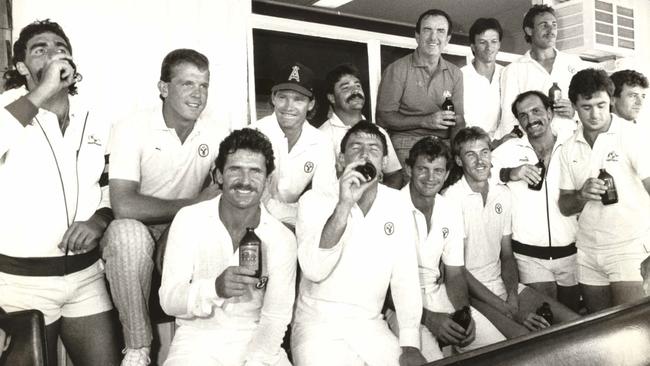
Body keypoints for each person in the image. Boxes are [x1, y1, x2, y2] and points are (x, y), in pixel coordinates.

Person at [0, 19, 120, 366]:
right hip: (21, 284)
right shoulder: (8, 109)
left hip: (86, 277)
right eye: (41, 49)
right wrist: (43, 90)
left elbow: (108, 186)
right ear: (21, 66)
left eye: (61, 48)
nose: (54, 54)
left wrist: (99, 221)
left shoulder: (94, 118)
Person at [102, 48, 224, 365]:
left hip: (179, 229)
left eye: (204, 85)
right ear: (164, 88)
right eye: (188, 84)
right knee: (126, 234)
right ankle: (138, 348)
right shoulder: (132, 126)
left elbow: (222, 190)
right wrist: (193, 204)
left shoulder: (215, 130)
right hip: (137, 227)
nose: (198, 95)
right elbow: (124, 205)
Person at [293, 121, 426, 366]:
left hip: (370, 326)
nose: (365, 155)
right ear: (341, 160)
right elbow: (313, 269)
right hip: (318, 326)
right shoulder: (314, 200)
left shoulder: (397, 204)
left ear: (384, 163)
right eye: (356, 148)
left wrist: (410, 344)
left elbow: (405, 279)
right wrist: (344, 204)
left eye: (374, 149)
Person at [159, 128, 296, 366]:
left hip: (257, 342)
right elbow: (169, 301)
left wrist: (256, 361)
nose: (245, 181)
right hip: (195, 340)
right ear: (219, 175)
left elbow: (275, 319)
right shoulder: (189, 219)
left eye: (255, 171)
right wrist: (215, 288)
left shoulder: (281, 237)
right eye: (235, 169)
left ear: (267, 179)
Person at [445, 127, 578, 339]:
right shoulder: (451, 199)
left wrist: (513, 295)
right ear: (459, 161)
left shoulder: (502, 193)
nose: (480, 160)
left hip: (502, 285)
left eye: (484, 152)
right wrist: (509, 310)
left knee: (573, 324)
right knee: (527, 341)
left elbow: (506, 255)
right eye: (471, 154)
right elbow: (458, 272)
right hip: (470, 293)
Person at [396, 136, 505, 361]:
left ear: (446, 174)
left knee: (501, 351)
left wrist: (463, 314)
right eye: (422, 169)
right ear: (409, 169)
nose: (430, 178)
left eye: (438, 171)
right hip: (398, 304)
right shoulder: (389, 208)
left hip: (437, 293)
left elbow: (454, 274)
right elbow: (382, 284)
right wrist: (429, 319)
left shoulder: (448, 209)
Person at [558, 68, 650, 313]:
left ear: (611, 101)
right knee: (599, 334)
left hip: (629, 248)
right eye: (587, 107)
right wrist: (581, 195)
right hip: (588, 251)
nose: (595, 114)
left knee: (633, 332)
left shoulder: (631, 136)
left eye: (601, 105)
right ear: (575, 107)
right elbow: (564, 205)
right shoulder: (568, 147)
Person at [491, 91, 581, 311]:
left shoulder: (573, 144)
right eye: (523, 115)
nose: (530, 119)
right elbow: (481, 175)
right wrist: (510, 173)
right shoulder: (508, 151)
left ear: (550, 113)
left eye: (536, 111)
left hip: (573, 253)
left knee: (573, 318)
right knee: (545, 321)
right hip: (529, 256)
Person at [377, 9, 465, 171]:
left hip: (444, 145)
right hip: (407, 142)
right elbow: (383, 118)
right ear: (417, 36)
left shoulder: (455, 73)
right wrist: (425, 121)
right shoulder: (397, 69)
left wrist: (458, 151)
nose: (433, 37)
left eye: (440, 31)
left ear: (448, 39)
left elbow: (458, 121)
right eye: (427, 30)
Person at [251, 62, 337, 227]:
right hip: (254, 220)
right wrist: (297, 214)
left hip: (296, 225)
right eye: (283, 97)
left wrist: (294, 215)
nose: (289, 107)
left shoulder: (321, 142)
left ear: (310, 104)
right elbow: (253, 199)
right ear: (273, 98)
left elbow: (324, 200)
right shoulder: (254, 134)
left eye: (298, 99)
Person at [498, 4, 587, 140]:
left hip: (571, 143)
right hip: (533, 148)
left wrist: (574, 112)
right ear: (529, 30)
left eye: (554, 25)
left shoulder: (574, 63)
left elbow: (590, 104)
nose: (551, 30)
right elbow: (508, 119)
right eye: (544, 25)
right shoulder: (514, 70)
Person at [320, 63, 403, 188]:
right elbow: (323, 186)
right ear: (332, 98)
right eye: (345, 88)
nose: (355, 91)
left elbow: (394, 174)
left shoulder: (378, 132)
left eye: (358, 85)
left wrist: (378, 200)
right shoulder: (322, 135)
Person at [461, 18, 504, 143]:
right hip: (471, 144)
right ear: (473, 47)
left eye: (494, 41)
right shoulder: (460, 76)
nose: (489, 47)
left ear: (499, 45)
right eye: (482, 42)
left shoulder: (507, 74)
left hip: (502, 144)